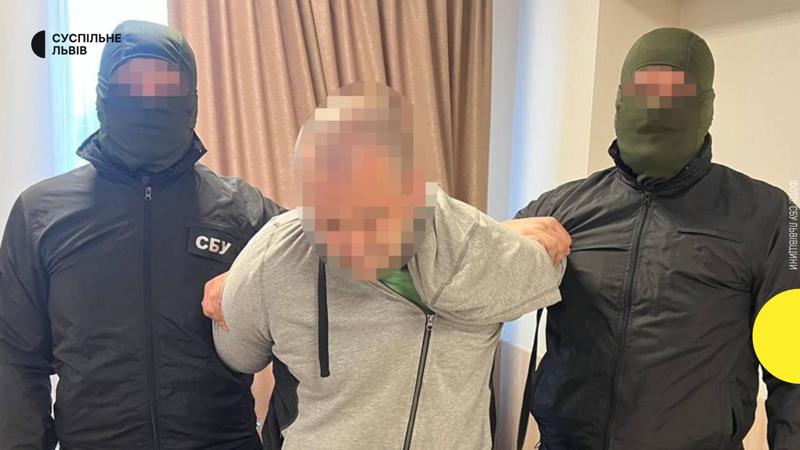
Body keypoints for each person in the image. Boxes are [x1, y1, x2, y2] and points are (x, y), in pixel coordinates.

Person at [206, 81, 568, 450]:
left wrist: (502, 237)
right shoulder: (275, 255)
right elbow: (238, 354)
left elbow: (551, 259)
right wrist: (239, 281)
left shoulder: (490, 253)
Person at [511, 27, 800, 450]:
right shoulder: (563, 207)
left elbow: (792, 366)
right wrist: (502, 235)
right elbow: (476, 287)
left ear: (705, 105)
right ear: (620, 100)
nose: (656, 108)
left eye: (676, 92)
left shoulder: (772, 217)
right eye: (644, 90)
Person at [0, 21, 282, 449]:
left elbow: (325, 297)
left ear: (191, 99)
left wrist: (287, 438)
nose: (149, 99)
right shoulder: (41, 213)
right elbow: (15, 358)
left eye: (166, 85)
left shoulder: (243, 211)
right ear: (103, 92)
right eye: (132, 83)